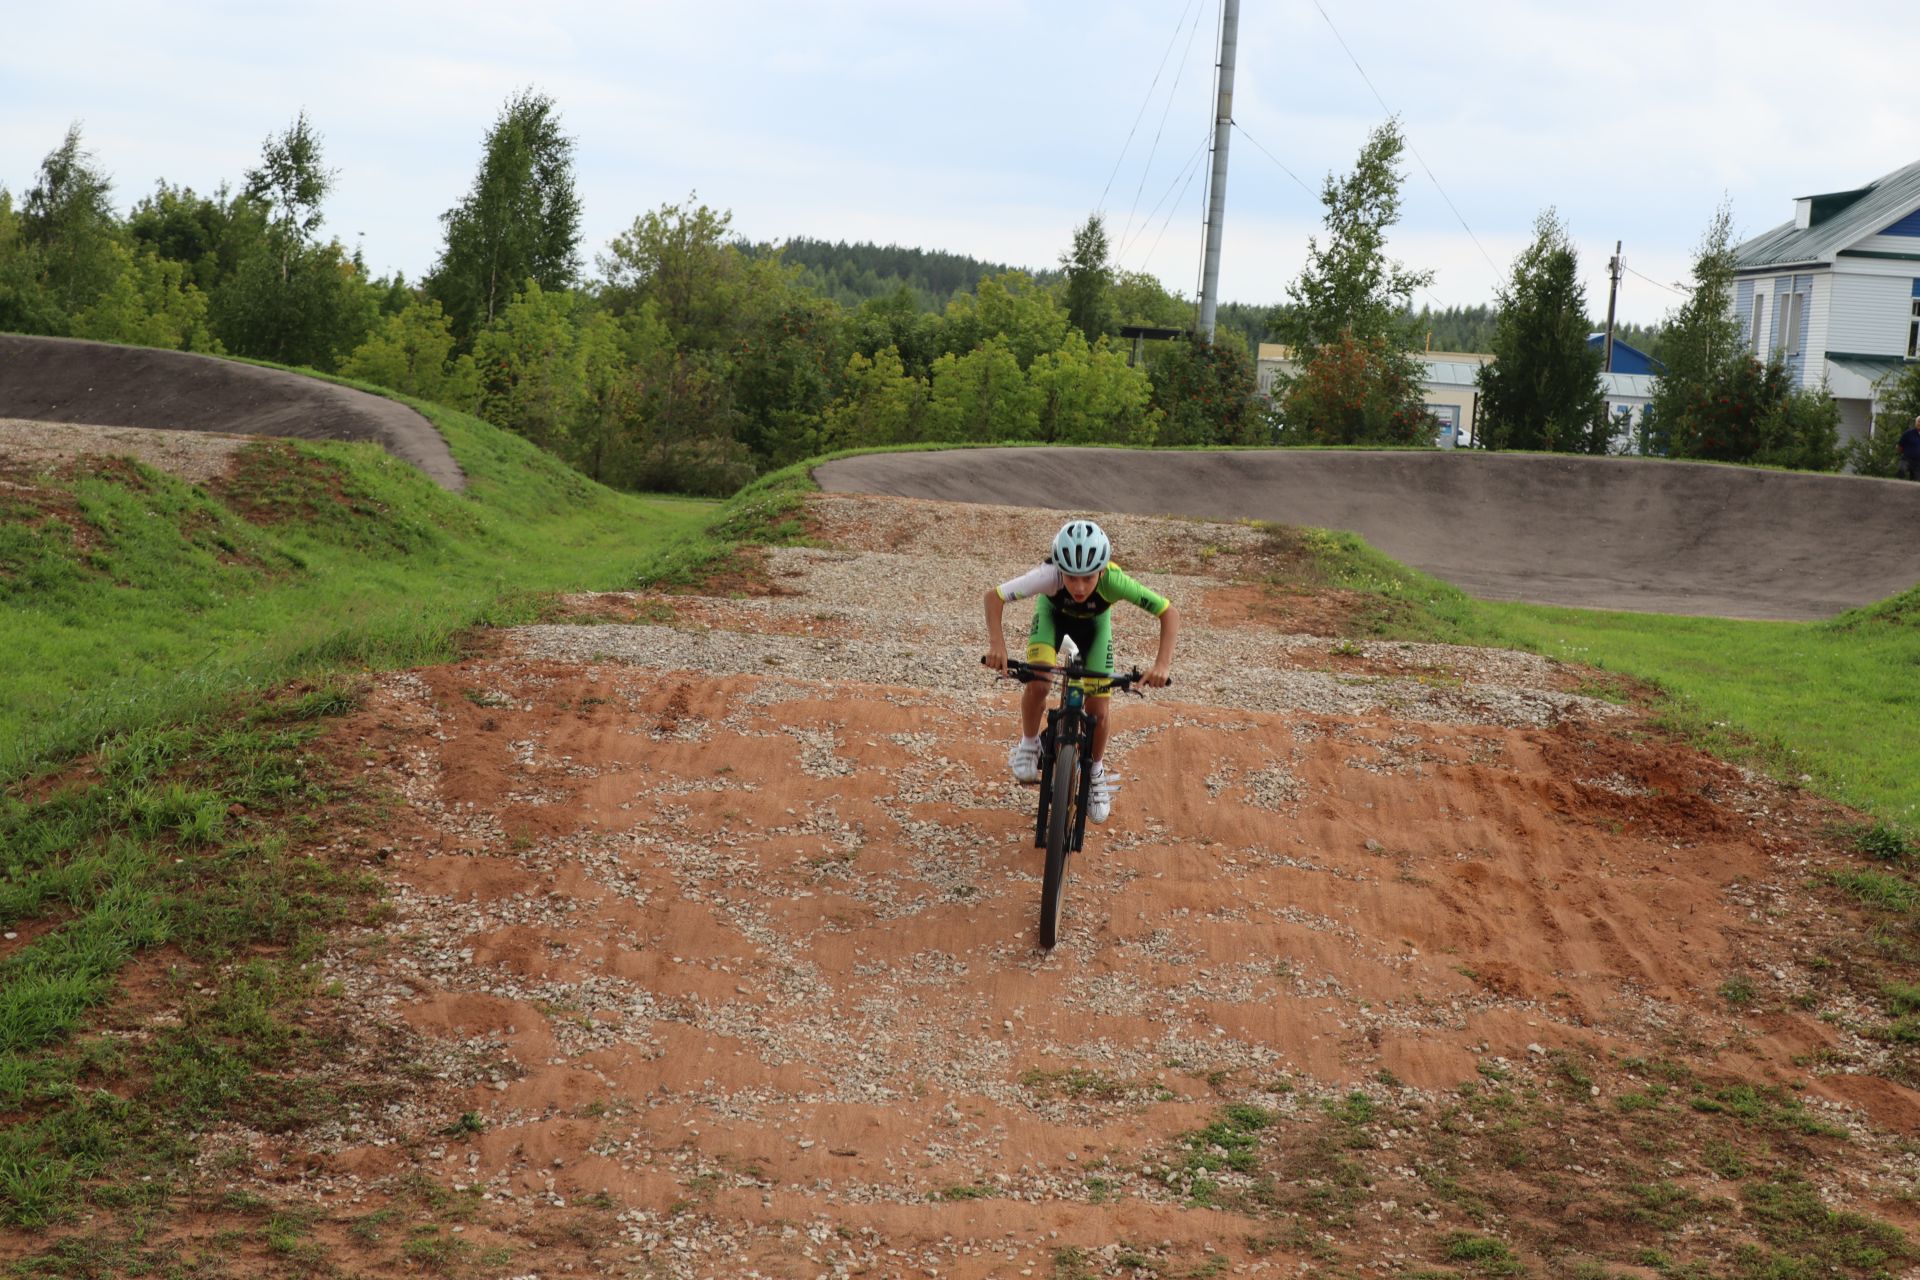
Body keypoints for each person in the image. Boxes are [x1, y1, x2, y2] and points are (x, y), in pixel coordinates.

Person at [983, 518, 1179, 824]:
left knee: (1098, 709)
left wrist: (1162, 665)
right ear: (1059, 569)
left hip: (1095, 631)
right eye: (1071, 578)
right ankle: (1029, 743)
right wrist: (999, 646)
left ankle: (1095, 770)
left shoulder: (1115, 581)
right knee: (1039, 680)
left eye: (1088, 578)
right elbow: (993, 597)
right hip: (1052, 622)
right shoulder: (1047, 577)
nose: (1079, 587)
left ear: (1102, 570)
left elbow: (1168, 613)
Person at [1899, 414, 1920, 481]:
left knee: (1916, 481)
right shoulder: (1908, 433)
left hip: (1918, 462)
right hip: (1907, 459)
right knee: (1901, 470)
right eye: (1919, 421)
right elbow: (1900, 445)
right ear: (1915, 423)